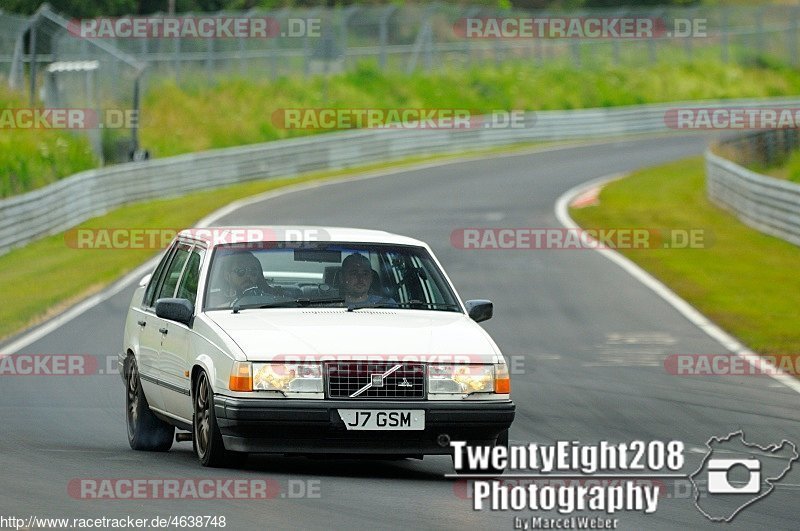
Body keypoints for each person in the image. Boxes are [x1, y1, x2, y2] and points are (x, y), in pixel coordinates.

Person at [209, 250, 283, 308]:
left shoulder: (272, 300)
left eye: (253, 271)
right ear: (227, 275)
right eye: (241, 271)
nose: (248, 276)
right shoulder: (211, 302)